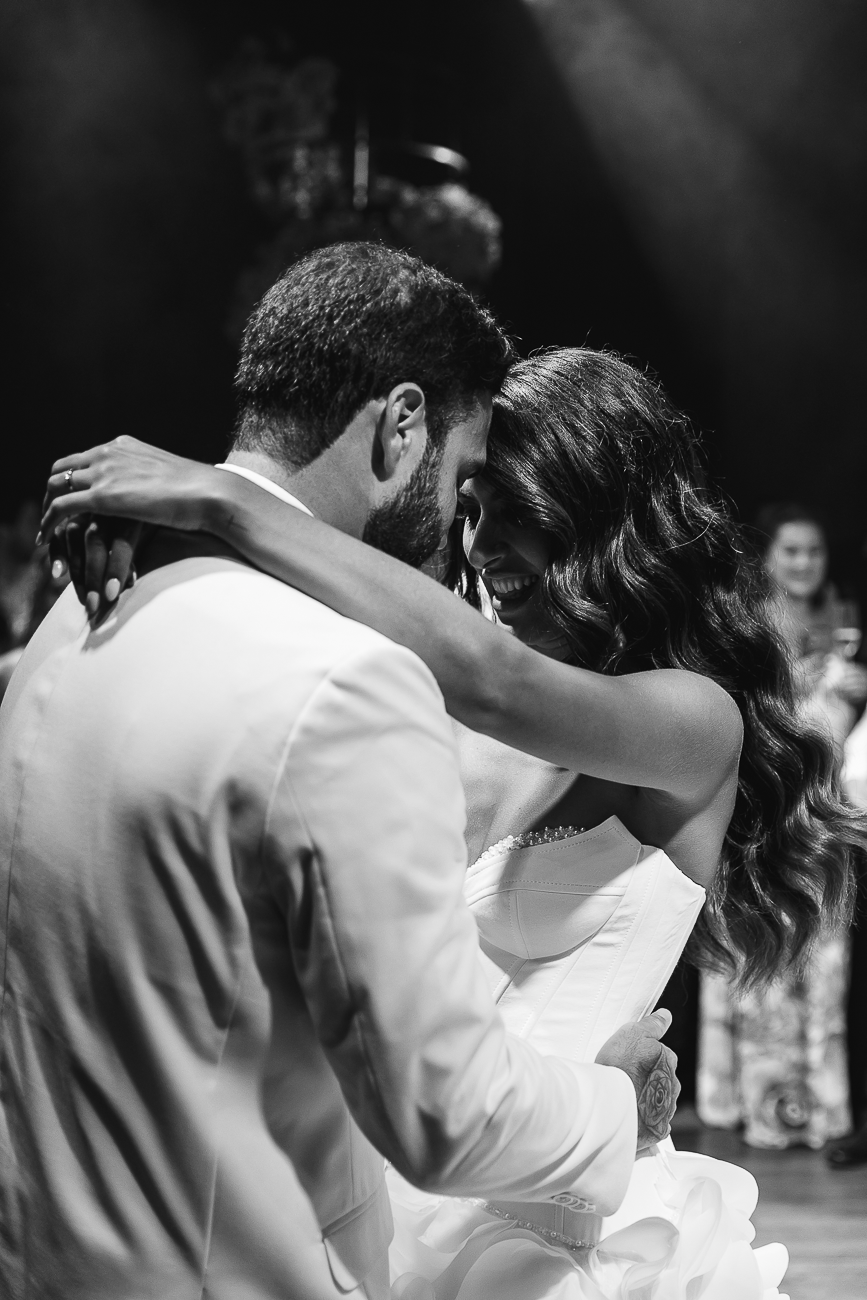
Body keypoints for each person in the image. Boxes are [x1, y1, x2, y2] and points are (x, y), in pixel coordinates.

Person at [40, 346, 864, 1298]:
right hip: (395, 1192)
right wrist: (152, 536)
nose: (480, 546)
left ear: (602, 511)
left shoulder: (688, 719)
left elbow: (493, 679)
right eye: (471, 510)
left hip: (568, 1231)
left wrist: (220, 501)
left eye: (519, 511)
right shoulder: (437, 703)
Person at [0, 247, 678, 1300]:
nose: (466, 531)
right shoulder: (347, 682)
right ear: (399, 424)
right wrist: (611, 1109)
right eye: (462, 480)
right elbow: (444, 1111)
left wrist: (218, 502)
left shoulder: (75, 609)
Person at [699, 504, 867, 1152]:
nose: (803, 565)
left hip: (820, 821)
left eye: (813, 554)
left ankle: (821, 1113)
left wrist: (850, 691)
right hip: (756, 818)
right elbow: (735, 715)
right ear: (768, 559)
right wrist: (806, 686)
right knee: (754, 962)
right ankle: (752, 1111)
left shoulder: (838, 624)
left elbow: (837, 737)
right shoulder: (743, 626)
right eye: (791, 552)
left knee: (820, 969)